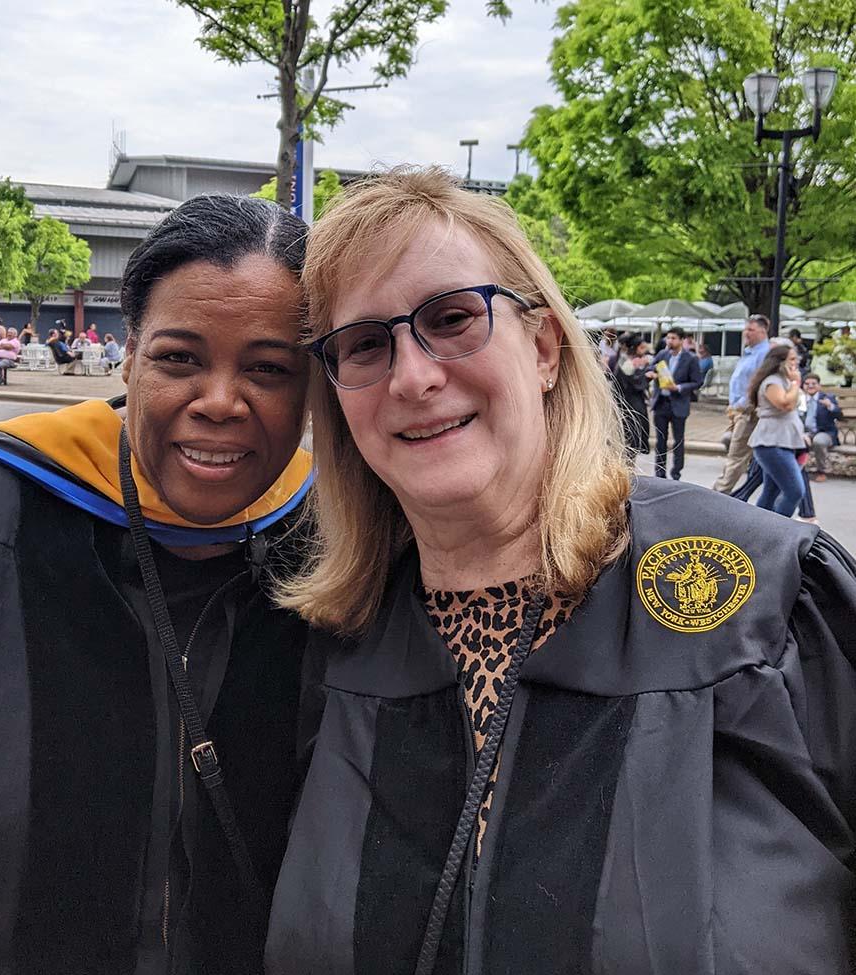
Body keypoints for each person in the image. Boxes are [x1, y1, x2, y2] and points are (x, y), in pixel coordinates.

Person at [266, 167, 856, 975]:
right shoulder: (329, 645)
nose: (413, 376)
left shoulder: (765, 598)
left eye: (450, 318)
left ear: (543, 348)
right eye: (365, 344)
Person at [0, 195, 315, 975]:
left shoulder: (328, 550)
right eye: (178, 357)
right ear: (129, 357)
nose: (219, 400)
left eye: (269, 368)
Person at [746, 343, 807, 517]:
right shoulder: (772, 382)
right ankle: (779, 527)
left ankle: (759, 527)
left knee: (771, 492)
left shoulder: (783, 380)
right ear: (780, 362)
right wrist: (796, 382)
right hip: (771, 442)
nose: (796, 363)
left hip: (783, 440)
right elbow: (784, 404)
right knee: (795, 490)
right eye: (792, 359)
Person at [713, 314, 770, 492]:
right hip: (739, 412)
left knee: (736, 456)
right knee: (745, 454)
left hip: (749, 412)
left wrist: (742, 404)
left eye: (751, 330)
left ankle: (719, 493)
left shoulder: (764, 353)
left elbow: (759, 384)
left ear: (763, 331)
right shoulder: (749, 352)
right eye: (746, 329)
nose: (746, 333)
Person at [648, 325, 702, 479]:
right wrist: (651, 372)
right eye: (668, 338)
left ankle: (676, 472)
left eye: (673, 338)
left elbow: (697, 382)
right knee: (660, 440)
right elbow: (651, 366)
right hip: (661, 403)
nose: (670, 341)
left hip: (678, 403)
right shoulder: (663, 354)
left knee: (678, 440)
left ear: (682, 340)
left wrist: (678, 388)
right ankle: (660, 473)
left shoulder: (690, 359)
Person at [609, 332, 650, 457]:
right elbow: (635, 382)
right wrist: (646, 375)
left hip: (629, 402)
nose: (644, 350)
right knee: (630, 439)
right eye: (641, 347)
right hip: (630, 403)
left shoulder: (625, 360)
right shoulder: (625, 362)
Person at [801, 373, 843, 481]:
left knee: (818, 441)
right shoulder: (800, 399)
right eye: (807, 384)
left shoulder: (827, 398)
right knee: (795, 439)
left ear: (819, 385)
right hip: (806, 432)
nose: (810, 386)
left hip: (825, 432)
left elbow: (839, 415)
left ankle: (821, 471)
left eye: (813, 384)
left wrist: (830, 406)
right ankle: (797, 471)